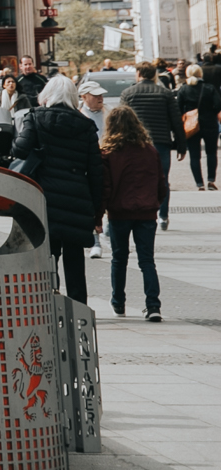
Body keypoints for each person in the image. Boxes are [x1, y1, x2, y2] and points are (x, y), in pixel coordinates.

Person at [13, 76, 102, 304]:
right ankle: (78, 307)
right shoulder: (86, 126)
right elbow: (95, 172)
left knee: (47, 256)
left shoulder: (35, 117)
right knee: (75, 260)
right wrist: (97, 212)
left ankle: (46, 303)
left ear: (47, 94)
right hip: (76, 199)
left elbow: (20, 150)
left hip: (44, 198)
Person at [100, 104, 164, 320]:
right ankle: (153, 305)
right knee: (147, 260)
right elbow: (161, 183)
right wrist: (156, 202)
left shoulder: (109, 153)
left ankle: (118, 302)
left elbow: (105, 187)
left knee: (119, 258)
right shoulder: (150, 151)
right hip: (146, 211)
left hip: (119, 212)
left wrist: (99, 214)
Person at [121, 62, 183, 230]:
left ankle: (140, 211)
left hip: (136, 143)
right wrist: (181, 145)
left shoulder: (128, 93)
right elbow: (176, 121)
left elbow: (122, 121)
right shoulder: (165, 94)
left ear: (139, 73)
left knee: (136, 178)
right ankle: (163, 215)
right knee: (162, 179)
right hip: (161, 142)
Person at [179, 64, 216, 191]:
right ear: (200, 74)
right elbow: (218, 105)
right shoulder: (209, 88)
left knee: (194, 155)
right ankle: (211, 180)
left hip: (191, 125)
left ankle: (199, 183)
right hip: (209, 124)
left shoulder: (184, 89)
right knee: (211, 153)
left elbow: (178, 108)